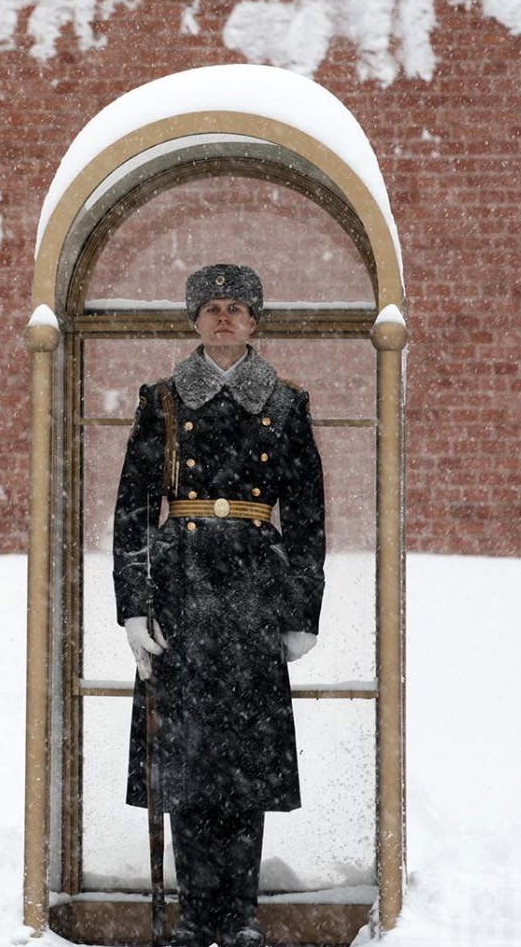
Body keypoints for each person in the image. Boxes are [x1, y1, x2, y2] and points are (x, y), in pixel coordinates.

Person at [111, 265, 326, 947]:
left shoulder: (287, 404)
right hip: (184, 593)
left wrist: (301, 612)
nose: (225, 318)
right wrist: (134, 607)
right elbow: (134, 511)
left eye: (237, 308)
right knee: (187, 765)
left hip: (255, 596)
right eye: (212, 308)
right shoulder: (164, 401)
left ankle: (242, 915)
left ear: (255, 320)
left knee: (244, 766)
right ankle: (195, 916)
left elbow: (311, 518)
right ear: (195, 319)